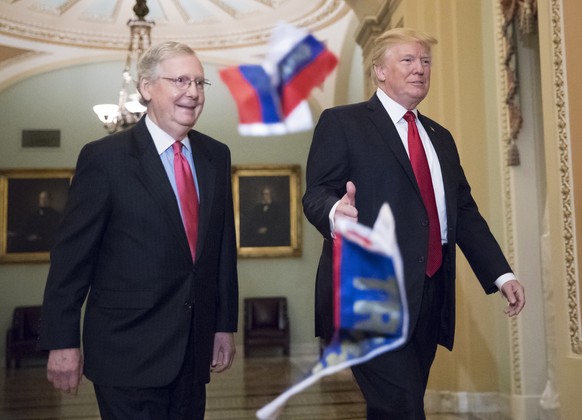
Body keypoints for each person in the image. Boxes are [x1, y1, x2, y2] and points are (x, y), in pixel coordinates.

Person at [302, 28, 525, 419]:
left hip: (430, 293)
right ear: (380, 72)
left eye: (425, 62)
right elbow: (317, 193)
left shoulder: (440, 137)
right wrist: (337, 213)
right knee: (401, 405)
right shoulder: (343, 123)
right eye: (407, 60)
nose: (419, 69)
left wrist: (501, 275)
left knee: (398, 405)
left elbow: (464, 213)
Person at [38, 41, 239, 420]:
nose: (193, 93)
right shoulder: (104, 159)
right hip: (126, 351)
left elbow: (221, 249)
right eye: (180, 80)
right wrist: (61, 341)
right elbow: (71, 259)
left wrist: (223, 325)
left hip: (192, 352)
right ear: (146, 88)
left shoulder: (216, 155)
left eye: (200, 82)